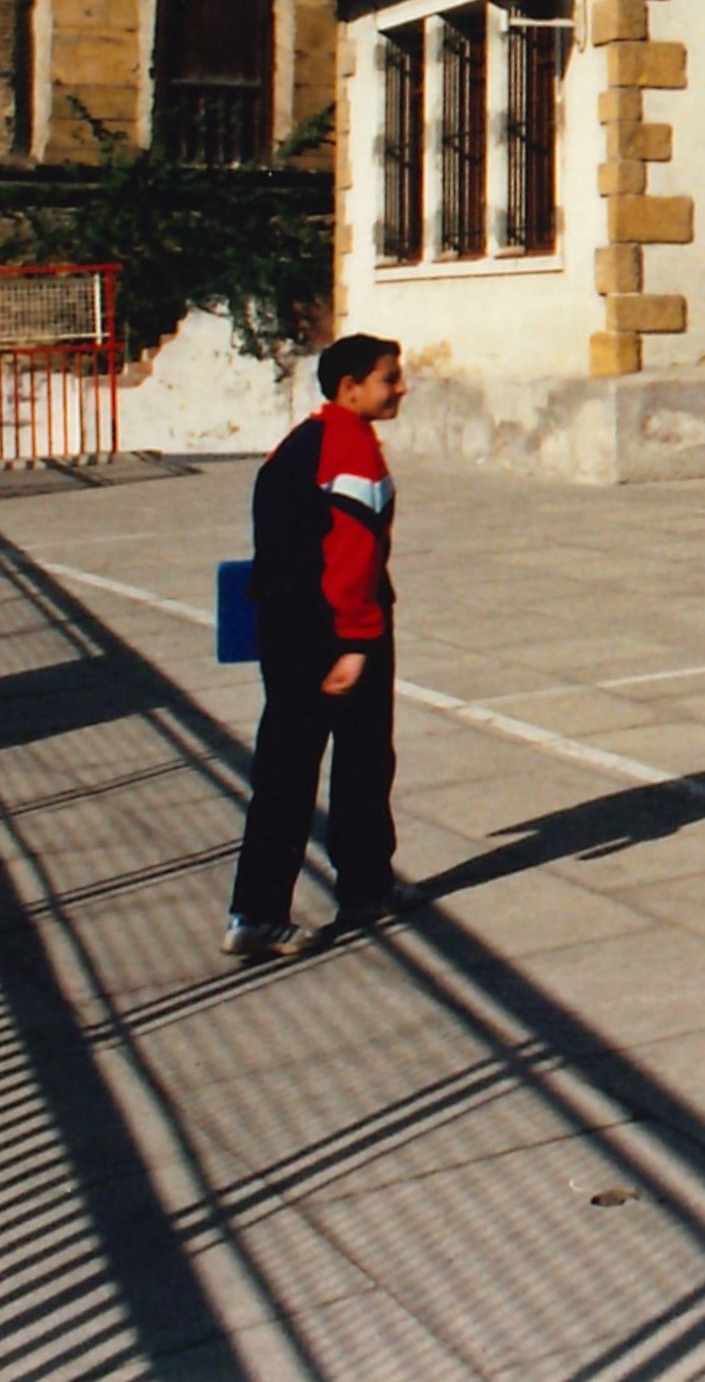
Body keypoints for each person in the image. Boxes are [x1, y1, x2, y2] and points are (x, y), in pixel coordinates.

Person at [226, 333, 411, 960]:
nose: (400, 387)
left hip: (286, 629)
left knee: (283, 770)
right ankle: (360, 890)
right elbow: (350, 559)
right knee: (360, 761)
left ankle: (255, 911)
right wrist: (356, 643)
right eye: (390, 378)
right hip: (336, 632)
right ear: (350, 387)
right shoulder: (351, 450)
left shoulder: (301, 442)